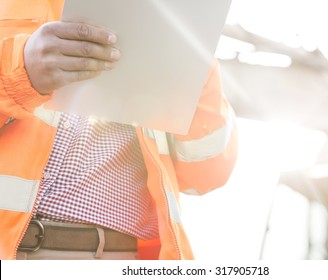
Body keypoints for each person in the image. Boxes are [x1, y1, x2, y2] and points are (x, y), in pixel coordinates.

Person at [0, 0, 238, 260]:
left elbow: (207, 174)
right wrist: (19, 72)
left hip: (111, 258)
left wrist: (197, 68)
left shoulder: (168, 19)